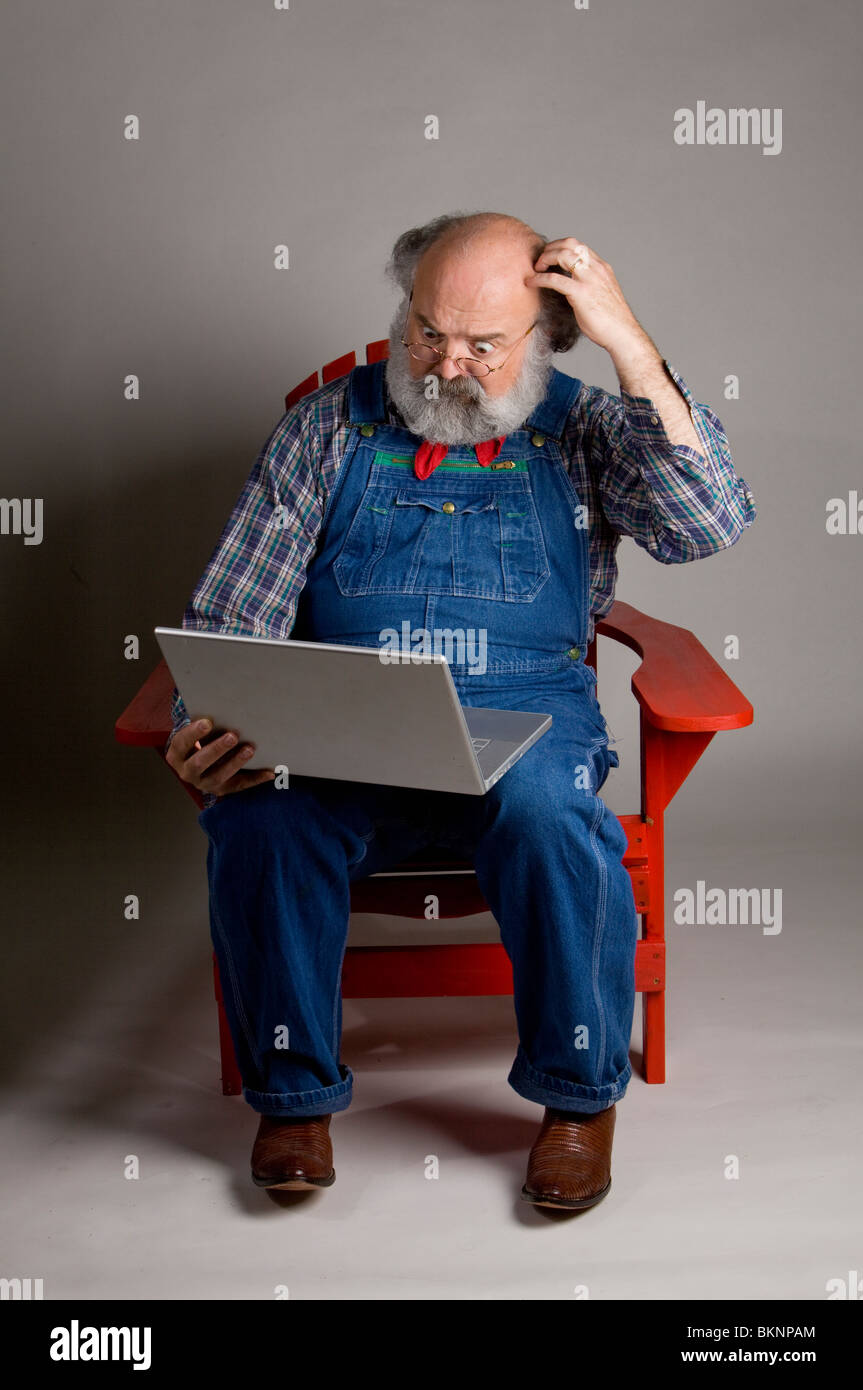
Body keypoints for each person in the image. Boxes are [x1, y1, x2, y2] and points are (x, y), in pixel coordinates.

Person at [165, 211, 755, 1210]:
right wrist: (208, 721)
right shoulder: (329, 426)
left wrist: (629, 342)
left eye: (483, 344)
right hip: (347, 721)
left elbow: (706, 525)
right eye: (425, 331)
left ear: (548, 335)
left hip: (525, 724)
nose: (445, 364)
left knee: (547, 810)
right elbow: (234, 612)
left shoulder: (587, 432)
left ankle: (576, 1099)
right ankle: (294, 1094)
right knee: (261, 814)